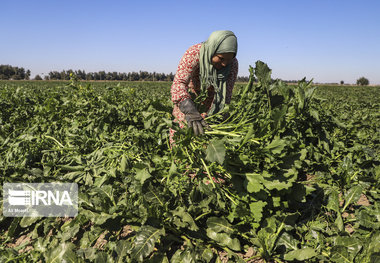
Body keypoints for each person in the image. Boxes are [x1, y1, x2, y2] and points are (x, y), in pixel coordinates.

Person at [170, 30, 238, 143]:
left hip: (211, 106)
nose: (225, 64)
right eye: (221, 58)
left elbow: (226, 96)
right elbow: (179, 84)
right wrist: (190, 111)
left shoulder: (233, 65)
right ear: (213, 49)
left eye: (228, 60)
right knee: (181, 139)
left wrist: (217, 116)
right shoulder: (195, 53)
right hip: (188, 102)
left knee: (206, 142)